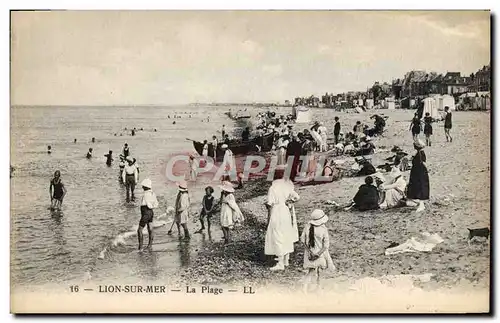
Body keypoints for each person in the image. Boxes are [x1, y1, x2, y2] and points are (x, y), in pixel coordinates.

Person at [264, 170, 300, 271]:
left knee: (277, 235)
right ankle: (286, 259)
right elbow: (297, 197)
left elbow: (270, 204)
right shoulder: (287, 186)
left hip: (277, 211)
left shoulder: (273, 188)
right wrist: (289, 202)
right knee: (286, 233)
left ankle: (280, 263)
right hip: (285, 211)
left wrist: (268, 216)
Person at [300, 209, 335, 291]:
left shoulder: (307, 227)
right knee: (320, 272)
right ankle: (318, 288)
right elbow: (326, 246)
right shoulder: (323, 229)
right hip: (320, 254)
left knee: (310, 271)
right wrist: (318, 254)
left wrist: (309, 252)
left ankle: (304, 288)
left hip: (309, 254)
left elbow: (303, 241)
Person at [406, 139, 430, 213]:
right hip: (419, 171)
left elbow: (419, 163)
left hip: (419, 172)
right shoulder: (419, 152)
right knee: (419, 186)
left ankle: (421, 204)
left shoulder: (419, 153)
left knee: (420, 186)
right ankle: (420, 202)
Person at [137, 178, 158, 251]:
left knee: (139, 230)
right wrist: (151, 207)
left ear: (145, 187)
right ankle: (150, 245)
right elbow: (156, 204)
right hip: (151, 212)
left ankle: (140, 247)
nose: (142, 187)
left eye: (143, 186)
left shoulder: (146, 194)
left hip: (145, 212)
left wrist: (149, 206)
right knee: (150, 228)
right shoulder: (153, 193)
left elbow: (148, 204)